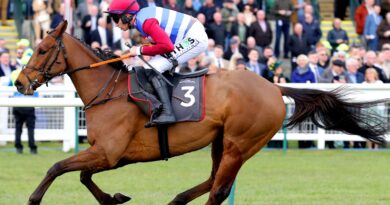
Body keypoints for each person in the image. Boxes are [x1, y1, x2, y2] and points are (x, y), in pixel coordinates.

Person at [106, 0, 208, 125]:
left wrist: (139, 50)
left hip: (194, 37)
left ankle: (168, 113)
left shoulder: (145, 22)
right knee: (152, 65)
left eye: (116, 18)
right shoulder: (140, 19)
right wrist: (142, 49)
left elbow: (167, 47)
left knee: (153, 67)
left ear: (127, 16)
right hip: (187, 34)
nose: (115, 24)